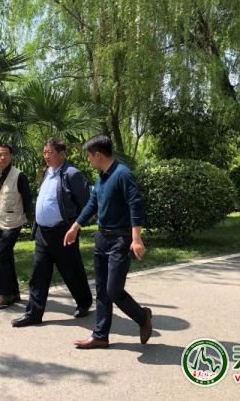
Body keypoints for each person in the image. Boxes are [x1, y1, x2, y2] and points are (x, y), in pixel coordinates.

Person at [63, 134, 152, 349]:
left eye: (89, 156)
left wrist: (136, 238)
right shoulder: (102, 177)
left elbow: (135, 204)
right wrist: (75, 227)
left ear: (98, 155)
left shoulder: (123, 174)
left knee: (114, 290)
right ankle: (100, 336)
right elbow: (92, 204)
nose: (88, 161)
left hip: (120, 239)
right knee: (102, 290)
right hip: (102, 238)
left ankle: (143, 317)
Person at [11, 138, 93, 327]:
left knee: (71, 271)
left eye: (50, 153)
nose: (46, 156)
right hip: (43, 233)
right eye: (44, 152)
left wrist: (75, 226)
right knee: (38, 274)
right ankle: (33, 314)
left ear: (61, 154)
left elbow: (87, 202)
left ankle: (84, 302)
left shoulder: (72, 174)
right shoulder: (46, 172)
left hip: (63, 231)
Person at [0, 143, 32, 309]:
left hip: (14, 222)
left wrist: (28, 220)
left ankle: (4, 294)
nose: (3, 157)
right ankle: (14, 293)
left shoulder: (19, 176)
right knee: (6, 256)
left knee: (0, 256)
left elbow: (27, 200)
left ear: (11, 156)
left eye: (6, 154)